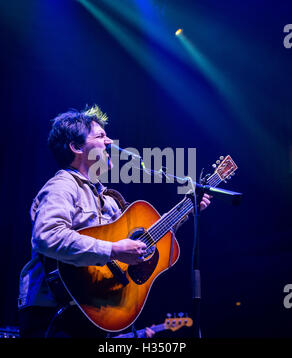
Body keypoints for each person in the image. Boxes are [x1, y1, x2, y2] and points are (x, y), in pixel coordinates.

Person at [18, 104, 212, 338]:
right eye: (100, 136)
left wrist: (186, 210)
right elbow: (47, 237)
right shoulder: (63, 185)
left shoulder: (109, 199)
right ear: (76, 147)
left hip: (94, 310)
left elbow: (144, 241)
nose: (109, 141)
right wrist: (113, 249)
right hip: (54, 312)